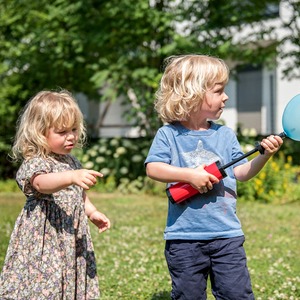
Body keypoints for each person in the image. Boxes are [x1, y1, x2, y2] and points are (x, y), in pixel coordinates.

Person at [145, 54, 283, 300]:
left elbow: (241, 173)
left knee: (237, 294)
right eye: (219, 91)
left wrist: (264, 155)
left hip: (226, 235)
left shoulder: (225, 135)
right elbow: (153, 168)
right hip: (184, 239)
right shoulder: (168, 135)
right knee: (189, 295)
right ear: (193, 94)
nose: (226, 97)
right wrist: (189, 176)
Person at [0, 90, 111, 299]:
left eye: (74, 129)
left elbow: (79, 195)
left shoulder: (71, 162)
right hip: (45, 236)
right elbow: (41, 183)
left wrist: (93, 212)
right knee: (46, 279)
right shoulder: (35, 162)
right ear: (39, 133)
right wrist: (70, 177)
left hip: (70, 235)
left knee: (68, 273)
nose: (71, 137)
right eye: (62, 132)